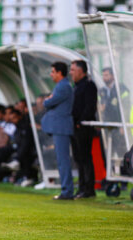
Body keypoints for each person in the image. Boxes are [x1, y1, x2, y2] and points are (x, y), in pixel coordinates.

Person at [41, 62, 74, 200]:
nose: (51, 74)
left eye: (53, 72)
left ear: (60, 73)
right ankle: (65, 190)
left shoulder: (63, 87)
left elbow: (48, 102)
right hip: (59, 128)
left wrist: (48, 100)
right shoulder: (61, 86)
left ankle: (67, 191)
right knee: (61, 160)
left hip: (61, 128)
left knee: (63, 160)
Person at [70, 60, 98, 199]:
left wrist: (81, 122)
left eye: (73, 70)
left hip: (83, 127)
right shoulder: (76, 87)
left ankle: (88, 188)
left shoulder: (89, 85)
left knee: (85, 157)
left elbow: (90, 106)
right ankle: (81, 187)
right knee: (78, 158)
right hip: (74, 127)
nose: (71, 73)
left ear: (81, 71)